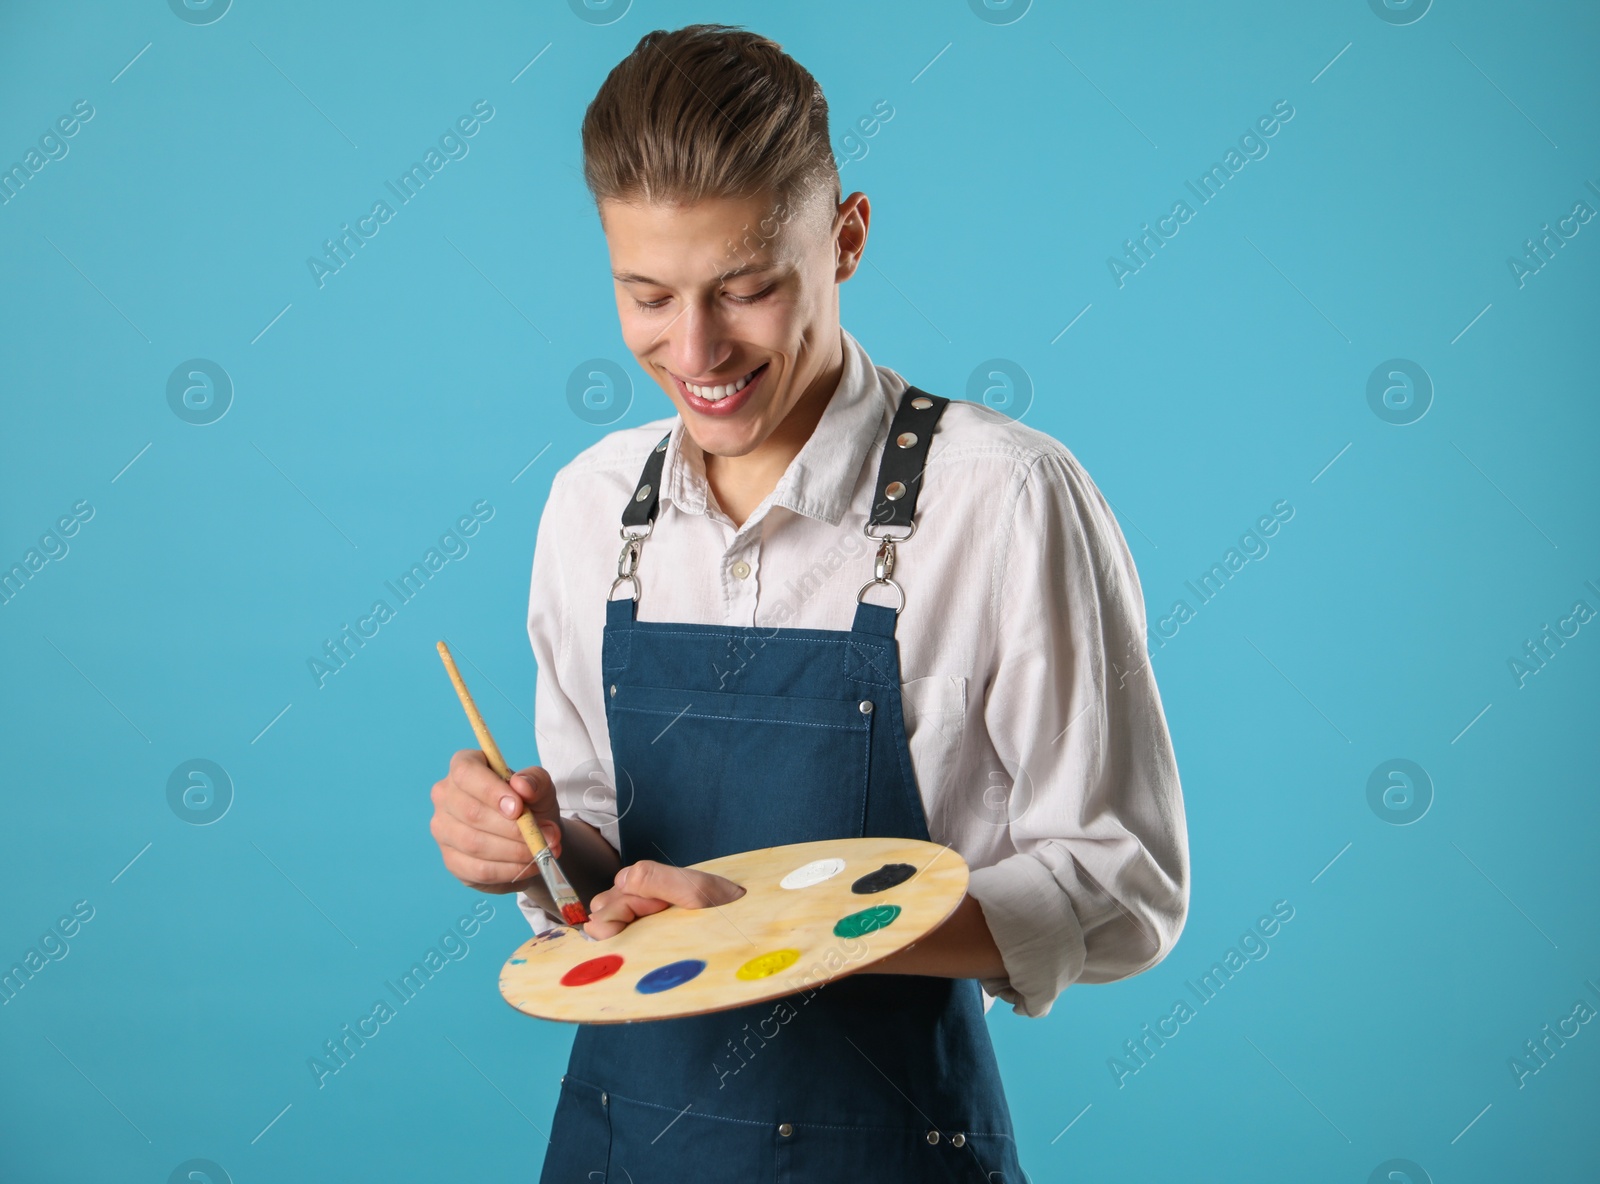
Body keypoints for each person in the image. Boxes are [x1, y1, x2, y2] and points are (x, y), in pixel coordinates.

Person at [429, 23, 1189, 1183]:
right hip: (627, 1143)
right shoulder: (589, 507)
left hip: (886, 1143)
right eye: (646, 293)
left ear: (845, 239)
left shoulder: (1003, 498)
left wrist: (778, 926)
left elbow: (1120, 886)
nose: (694, 349)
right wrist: (533, 843)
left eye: (744, 288)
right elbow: (602, 867)